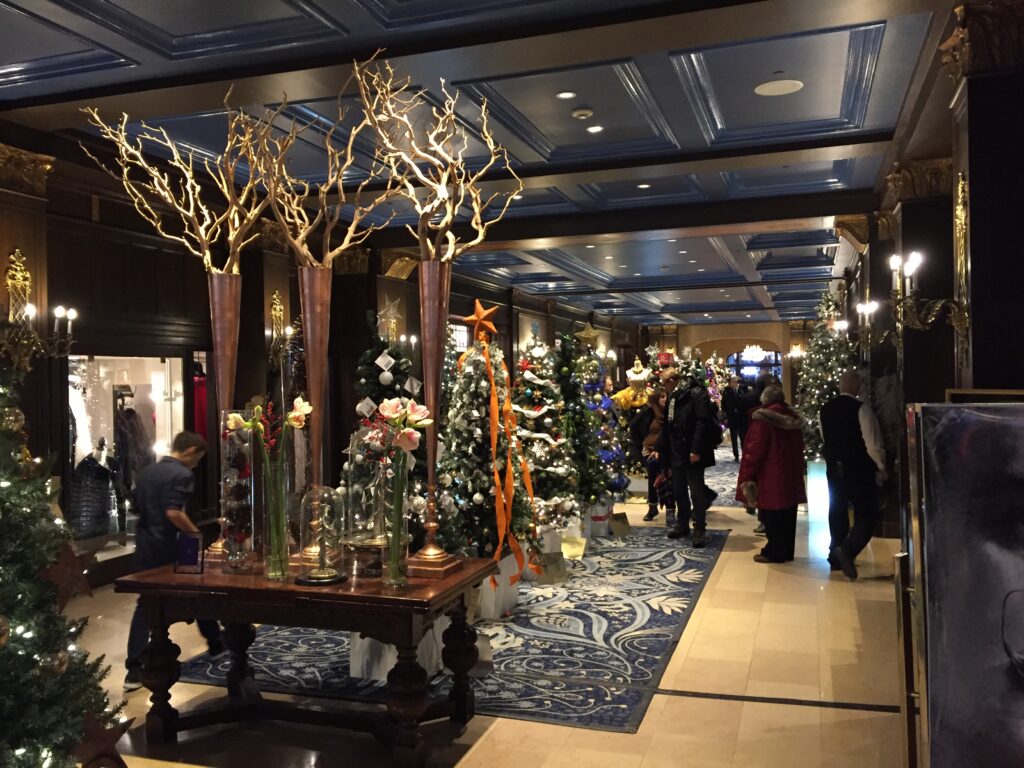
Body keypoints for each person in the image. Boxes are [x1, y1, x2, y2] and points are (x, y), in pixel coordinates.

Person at [124, 431, 222, 691]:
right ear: (189, 451)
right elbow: (173, 511)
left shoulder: (147, 473)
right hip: (178, 545)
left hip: (146, 544)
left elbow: (136, 507)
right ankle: (215, 643)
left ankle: (134, 669)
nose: (197, 465)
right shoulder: (181, 474)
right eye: (198, 459)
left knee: (146, 605)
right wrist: (195, 534)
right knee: (199, 591)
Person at [820, 370, 886, 581]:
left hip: (834, 468)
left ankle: (835, 552)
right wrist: (881, 466)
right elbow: (872, 442)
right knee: (867, 512)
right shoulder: (861, 409)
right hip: (858, 468)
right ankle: (847, 549)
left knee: (837, 509)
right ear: (857, 386)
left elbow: (825, 437)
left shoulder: (825, 409)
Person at [736, 386, 806, 563]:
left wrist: (747, 476)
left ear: (765, 400)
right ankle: (786, 551)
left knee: (771, 516)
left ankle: (773, 551)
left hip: (770, 476)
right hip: (790, 473)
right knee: (788, 514)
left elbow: (754, 451)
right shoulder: (792, 418)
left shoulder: (763, 420)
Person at [660, 369, 718, 547]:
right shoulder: (673, 396)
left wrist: (696, 449)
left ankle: (699, 528)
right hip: (676, 449)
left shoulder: (696, 392)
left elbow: (703, 422)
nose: (663, 388)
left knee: (696, 490)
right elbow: (668, 424)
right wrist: (660, 448)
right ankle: (682, 523)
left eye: (664, 384)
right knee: (678, 489)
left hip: (692, 450)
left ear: (672, 380)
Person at [630, 387, 674, 524]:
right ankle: (652, 508)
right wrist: (641, 445)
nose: (664, 399)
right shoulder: (648, 412)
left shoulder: (670, 413)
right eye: (661, 397)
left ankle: (670, 510)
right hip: (649, 451)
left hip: (666, 451)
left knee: (668, 480)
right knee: (652, 480)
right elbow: (634, 427)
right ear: (655, 399)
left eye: (666, 396)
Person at [721, 376, 743, 461]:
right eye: (732, 382)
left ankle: (744, 454)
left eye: (735, 382)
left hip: (741, 418)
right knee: (734, 438)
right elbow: (724, 406)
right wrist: (725, 417)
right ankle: (736, 455)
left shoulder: (742, 390)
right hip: (732, 417)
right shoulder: (726, 392)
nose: (733, 383)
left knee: (742, 437)